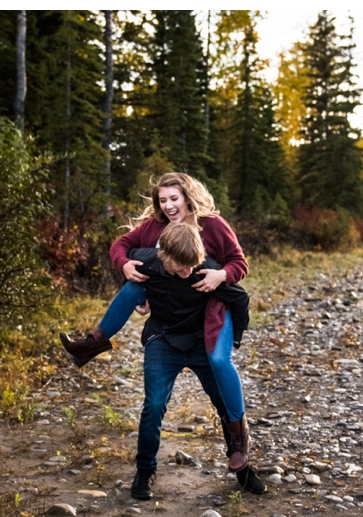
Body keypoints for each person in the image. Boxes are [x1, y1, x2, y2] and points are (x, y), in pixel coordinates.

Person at [59, 172, 252, 472]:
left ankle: (239, 436)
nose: (169, 206)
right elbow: (120, 245)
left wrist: (221, 275)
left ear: (187, 197)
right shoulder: (155, 227)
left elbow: (240, 264)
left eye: (174, 199)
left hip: (212, 307)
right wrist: (124, 265)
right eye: (163, 201)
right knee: (135, 284)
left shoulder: (212, 225)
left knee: (218, 359)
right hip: (171, 317)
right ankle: (94, 341)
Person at [121, 221, 265, 499]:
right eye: (181, 267)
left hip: (200, 342)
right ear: (164, 257)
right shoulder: (148, 260)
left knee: (224, 403)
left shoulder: (202, 270)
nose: (188, 272)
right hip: (162, 340)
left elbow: (240, 298)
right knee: (153, 406)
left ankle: (243, 468)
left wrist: (236, 338)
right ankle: (145, 471)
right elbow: (127, 261)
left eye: (191, 265)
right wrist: (137, 295)